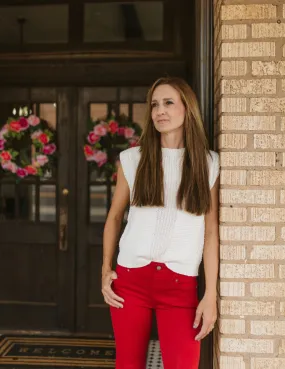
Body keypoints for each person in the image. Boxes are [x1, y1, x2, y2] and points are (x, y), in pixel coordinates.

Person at [101, 77, 219, 369]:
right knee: (128, 365)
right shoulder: (133, 159)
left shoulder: (208, 163)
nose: (159, 111)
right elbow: (114, 217)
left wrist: (210, 295)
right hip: (130, 281)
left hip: (180, 286)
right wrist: (106, 270)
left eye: (168, 103)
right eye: (154, 104)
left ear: (187, 109)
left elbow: (211, 231)